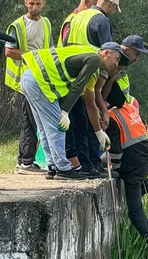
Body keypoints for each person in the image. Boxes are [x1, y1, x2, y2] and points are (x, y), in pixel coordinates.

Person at [20, 42, 127, 180]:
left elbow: (90, 103)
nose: (116, 65)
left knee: (44, 128)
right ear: (106, 53)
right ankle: (63, 169)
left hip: (30, 77)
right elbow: (78, 85)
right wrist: (65, 112)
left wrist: (98, 132)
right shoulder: (95, 59)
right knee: (58, 127)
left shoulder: (91, 62)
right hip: (39, 81)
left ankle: (53, 167)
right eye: (117, 59)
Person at [106, 95, 148, 259]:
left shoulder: (112, 117)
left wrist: (114, 170)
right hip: (146, 159)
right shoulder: (130, 108)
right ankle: (146, 184)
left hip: (133, 168)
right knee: (138, 185)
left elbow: (116, 150)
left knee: (135, 213)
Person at [62, 0, 121, 173]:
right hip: (90, 71)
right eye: (113, 9)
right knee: (87, 124)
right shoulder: (102, 21)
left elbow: (64, 43)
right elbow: (108, 50)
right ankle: (90, 165)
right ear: (110, 5)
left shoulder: (77, 16)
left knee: (74, 124)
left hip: (71, 71)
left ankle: (80, 164)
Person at [4, 0, 53, 175]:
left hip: (41, 78)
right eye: (31, 3)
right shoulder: (17, 25)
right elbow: (9, 51)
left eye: (38, 3)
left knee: (36, 120)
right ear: (25, 3)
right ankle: (25, 162)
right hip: (23, 80)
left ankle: (28, 160)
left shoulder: (46, 23)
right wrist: (32, 57)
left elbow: (49, 49)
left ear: (43, 4)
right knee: (28, 121)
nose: (34, 7)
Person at [96, 34, 148, 125]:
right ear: (127, 49)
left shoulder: (122, 64)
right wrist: (103, 110)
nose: (137, 59)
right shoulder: (110, 60)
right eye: (136, 54)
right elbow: (98, 90)